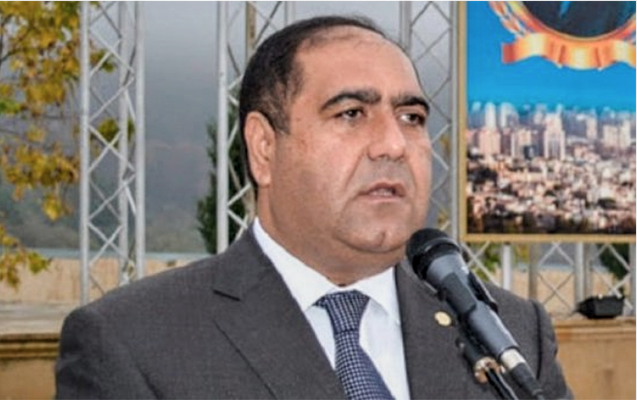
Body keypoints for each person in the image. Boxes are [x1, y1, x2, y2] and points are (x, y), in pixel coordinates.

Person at [55, 15, 571, 399]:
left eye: (411, 117)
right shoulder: (133, 342)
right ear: (263, 147)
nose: (393, 144)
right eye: (351, 114)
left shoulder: (510, 332)